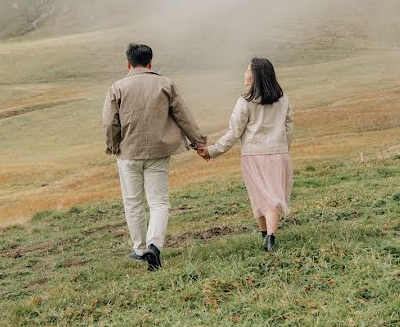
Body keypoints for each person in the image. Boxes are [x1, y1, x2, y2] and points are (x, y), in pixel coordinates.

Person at [103, 43, 208, 271]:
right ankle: (155, 246)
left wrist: (113, 146)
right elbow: (183, 116)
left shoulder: (117, 87)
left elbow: (110, 121)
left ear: (128, 64)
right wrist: (198, 142)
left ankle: (140, 249)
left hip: (128, 153)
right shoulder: (165, 84)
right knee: (159, 201)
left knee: (133, 202)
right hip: (159, 152)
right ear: (150, 63)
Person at [197, 57, 293, 252]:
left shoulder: (245, 102)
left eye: (247, 71)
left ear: (256, 76)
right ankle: (269, 238)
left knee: (259, 195)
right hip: (279, 154)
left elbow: (234, 132)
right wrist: (283, 147)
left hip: (253, 156)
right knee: (273, 195)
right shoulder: (283, 99)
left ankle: (266, 236)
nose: (245, 74)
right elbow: (289, 127)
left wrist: (213, 151)